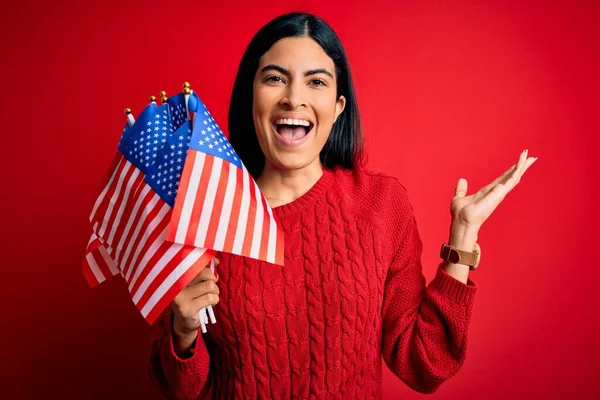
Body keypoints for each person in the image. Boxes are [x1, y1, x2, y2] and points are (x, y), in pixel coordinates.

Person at [148, 12, 537, 399]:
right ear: (252, 98)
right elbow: (180, 390)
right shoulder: (201, 214)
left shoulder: (381, 204)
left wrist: (463, 236)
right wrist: (182, 334)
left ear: (337, 108)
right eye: (274, 78)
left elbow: (425, 364)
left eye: (316, 82)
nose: (293, 97)